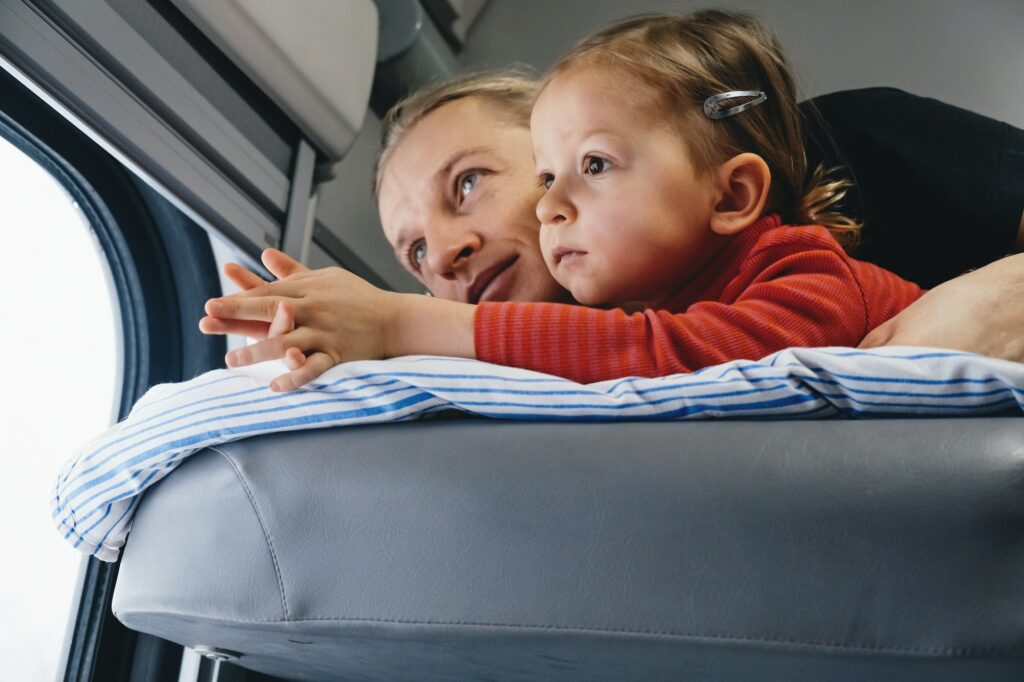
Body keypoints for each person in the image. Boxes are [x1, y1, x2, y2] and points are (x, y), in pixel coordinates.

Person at [201, 35, 1024, 390]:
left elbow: (668, 353)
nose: (444, 254)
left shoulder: (830, 185)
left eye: (469, 184)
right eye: (412, 255)